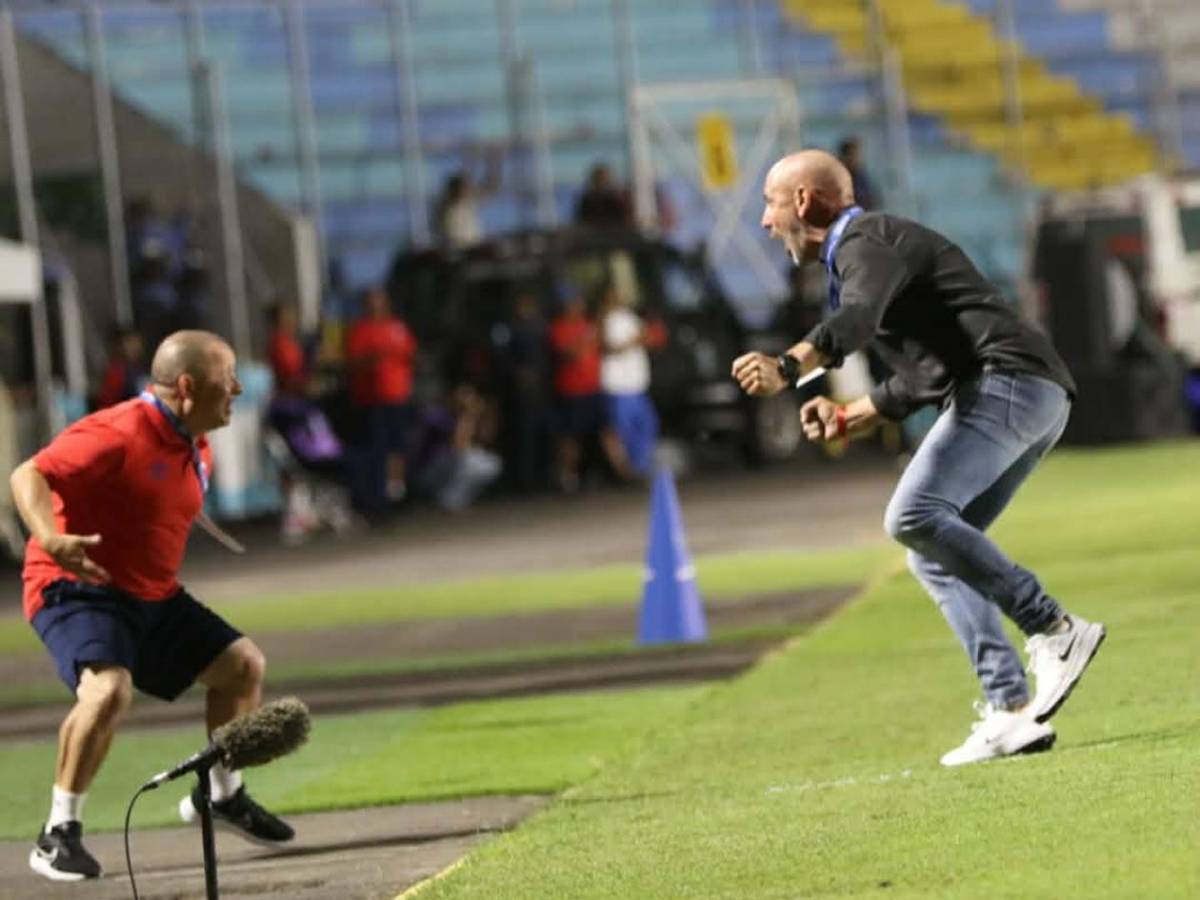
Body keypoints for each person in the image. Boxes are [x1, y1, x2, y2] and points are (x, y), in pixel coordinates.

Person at [732, 149, 1105, 767]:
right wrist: (849, 416)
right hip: (1029, 393)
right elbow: (923, 376)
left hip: (1008, 383)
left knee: (911, 514)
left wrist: (787, 366)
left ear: (802, 201)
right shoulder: (876, 250)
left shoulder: (865, 240)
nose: (766, 222)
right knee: (932, 554)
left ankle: (1053, 627)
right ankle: (1012, 710)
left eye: (770, 204)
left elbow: (852, 322)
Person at [10, 330, 294, 882]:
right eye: (226, 377)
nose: (237, 387)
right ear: (186, 387)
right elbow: (29, 473)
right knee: (109, 690)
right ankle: (56, 833)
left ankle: (220, 795)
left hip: (151, 594)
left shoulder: (194, 439)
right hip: (76, 586)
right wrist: (49, 536)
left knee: (242, 669)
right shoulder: (117, 431)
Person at [548, 290, 633, 492]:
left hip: (594, 388)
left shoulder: (589, 325)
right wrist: (588, 336)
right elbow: (570, 354)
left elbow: (606, 347)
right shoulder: (559, 328)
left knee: (608, 432)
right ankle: (568, 479)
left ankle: (625, 473)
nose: (578, 307)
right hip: (572, 391)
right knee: (571, 437)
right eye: (573, 303)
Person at [345, 287, 419, 510]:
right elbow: (352, 362)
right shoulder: (360, 331)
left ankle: (397, 491)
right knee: (377, 448)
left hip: (398, 397)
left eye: (379, 301)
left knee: (399, 446)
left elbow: (411, 355)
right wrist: (371, 360)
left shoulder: (398, 327)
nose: (376, 306)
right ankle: (376, 495)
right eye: (371, 302)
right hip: (372, 400)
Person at [597, 283, 658, 476]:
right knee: (622, 430)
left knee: (648, 424)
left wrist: (644, 338)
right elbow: (607, 346)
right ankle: (626, 471)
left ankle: (639, 466)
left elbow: (647, 339)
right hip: (618, 385)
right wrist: (633, 341)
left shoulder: (630, 317)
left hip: (637, 383)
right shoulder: (605, 320)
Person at [96, 327, 147, 409]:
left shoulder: (139, 369)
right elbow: (107, 404)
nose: (135, 346)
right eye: (129, 342)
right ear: (120, 346)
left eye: (137, 342)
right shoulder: (116, 372)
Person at [575, 163, 632, 229]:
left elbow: (622, 219)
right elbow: (581, 219)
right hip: (593, 232)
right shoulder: (587, 199)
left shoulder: (614, 198)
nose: (601, 181)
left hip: (612, 232)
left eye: (602, 178)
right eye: (598, 178)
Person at [836, 137, 879, 212]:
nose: (858, 158)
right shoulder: (838, 178)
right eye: (854, 155)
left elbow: (871, 199)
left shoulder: (861, 176)